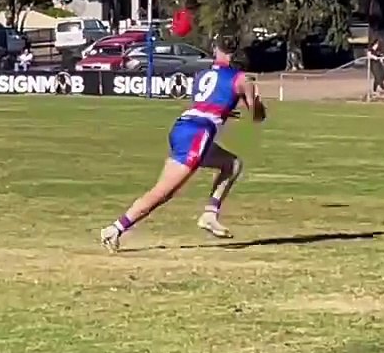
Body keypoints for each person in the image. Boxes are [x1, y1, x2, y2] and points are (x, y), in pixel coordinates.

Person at [99, 36, 266, 252]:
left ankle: (209, 214)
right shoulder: (242, 79)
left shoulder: (203, 74)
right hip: (198, 134)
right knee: (163, 192)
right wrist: (258, 101)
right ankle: (114, 229)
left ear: (216, 50)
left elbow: (207, 102)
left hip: (183, 126)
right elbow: (256, 115)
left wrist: (225, 110)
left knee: (232, 164)